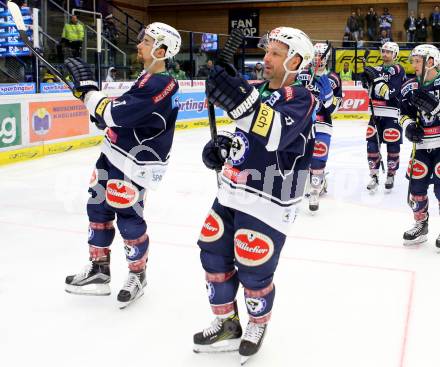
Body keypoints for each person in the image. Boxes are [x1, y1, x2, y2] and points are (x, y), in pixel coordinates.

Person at [193, 27, 316, 363]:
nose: (266, 59)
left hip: (269, 201)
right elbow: (247, 139)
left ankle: (257, 324)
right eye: (268, 52)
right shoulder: (262, 91)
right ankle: (227, 322)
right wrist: (222, 148)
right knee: (212, 253)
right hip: (232, 192)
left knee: (254, 268)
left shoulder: (301, 98)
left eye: (275, 53)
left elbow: (275, 133)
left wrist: (240, 100)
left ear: (295, 61)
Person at [63, 22, 181, 308]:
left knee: (128, 217)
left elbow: (117, 112)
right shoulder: (146, 78)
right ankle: (99, 269)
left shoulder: (160, 84)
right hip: (113, 154)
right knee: (97, 209)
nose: (139, 44)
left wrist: (90, 92)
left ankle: (137, 274)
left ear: (161, 50)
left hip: (134, 163)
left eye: (146, 40)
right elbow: (125, 110)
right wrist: (103, 114)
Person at [399, 44, 440, 247]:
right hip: (422, 146)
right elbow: (402, 113)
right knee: (417, 188)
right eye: (413, 61)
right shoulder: (410, 85)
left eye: (417, 61)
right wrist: (408, 127)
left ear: (430, 61)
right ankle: (421, 225)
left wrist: (437, 107)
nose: (413, 64)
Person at [298, 43, 342, 211]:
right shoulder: (301, 74)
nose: (318, 58)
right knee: (300, 156)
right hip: (302, 123)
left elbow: (334, 108)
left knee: (318, 158)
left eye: (320, 55)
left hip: (323, 122)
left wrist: (329, 97)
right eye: (315, 55)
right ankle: (308, 182)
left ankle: (315, 189)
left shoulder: (334, 78)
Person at [361, 42, 406, 192]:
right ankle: (374, 176)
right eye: (384, 51)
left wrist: (376, 79)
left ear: (395, 55)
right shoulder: (376, 68)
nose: (385, 54)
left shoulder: (398, 69)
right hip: (375, 114)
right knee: (371, 146)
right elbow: (371, 89)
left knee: (392, 146)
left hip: (392, 113)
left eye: (389, 52)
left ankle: (391, 174)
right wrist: (366, 81)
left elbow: (391, 92)